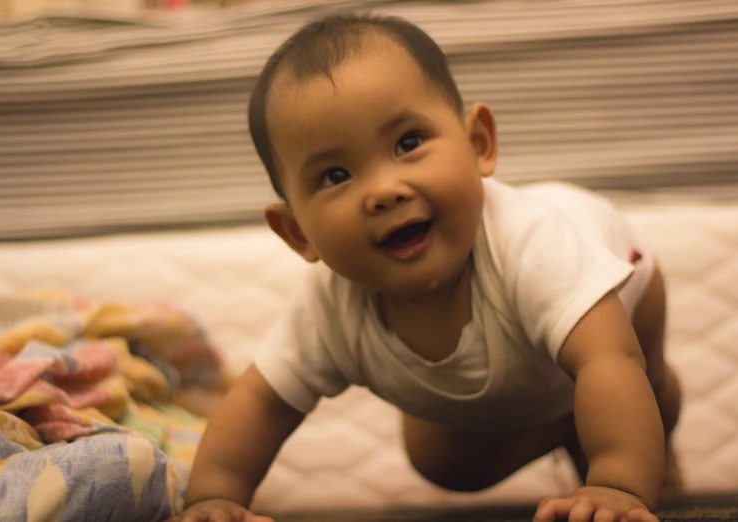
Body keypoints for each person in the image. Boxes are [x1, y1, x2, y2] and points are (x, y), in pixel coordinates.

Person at [170, 12, 682, 522]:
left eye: (408, 143)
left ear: (478, 143)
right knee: (439, 461)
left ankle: (636, 446)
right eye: (336, 175)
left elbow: (606, 358)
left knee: (636, 396)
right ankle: (566, 421)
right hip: (532, 377)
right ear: (297, 233)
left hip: (622, 283)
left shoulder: (532, 242)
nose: (384, 191)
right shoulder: (330, 305)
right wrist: (215, 496)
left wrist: (617, 485)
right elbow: (264, 400)